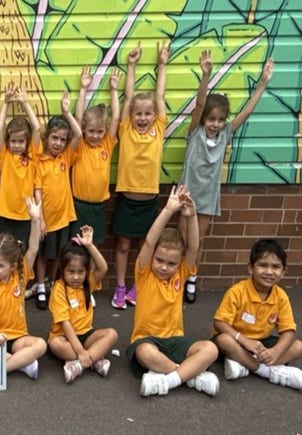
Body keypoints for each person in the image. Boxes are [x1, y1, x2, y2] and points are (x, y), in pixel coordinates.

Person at [179, 52, 275, 303]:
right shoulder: (195, 134)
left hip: (208, 198)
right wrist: (206, 75)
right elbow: (199, 104)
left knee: (197, 243)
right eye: (211, 119)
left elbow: (246, 113)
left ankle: (191, 277)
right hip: (186, 195)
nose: (215, 124)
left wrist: (263, 83)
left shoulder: (225, 136)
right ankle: (176, 278)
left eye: (220, 120)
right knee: (182, 240)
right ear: (203, 120)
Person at [126, 185, 220, 397]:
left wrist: (192, 215)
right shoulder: (144, 273)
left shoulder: (180, 274)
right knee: (144, 353)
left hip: (176, 340)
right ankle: (190, 376)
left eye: (171, 263)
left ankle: (167, 380)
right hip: (147, 339)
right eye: (159, 260)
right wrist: (168, 210)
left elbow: (193, 248)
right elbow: (150, 242)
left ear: (178, 265)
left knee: (210, 349)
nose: (163, 267)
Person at [111, 42, 169, 310]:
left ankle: (138, 285)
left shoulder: (158, 129)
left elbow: (160, 95)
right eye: (138, 113)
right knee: (123, 245)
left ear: (155, 116)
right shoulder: (125, 129)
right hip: (127, 199)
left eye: (147, 114)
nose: (143, 117)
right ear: (131, 115)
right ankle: (121, 287)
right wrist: (131, 66)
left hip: (148, 202)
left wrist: (162, 64)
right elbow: (129, 96)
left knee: (144, 246)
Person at [212, 239, 302, 390]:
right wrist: (244, 340)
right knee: (223, 340)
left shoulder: (281, 296)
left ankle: (245, 365)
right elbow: (219, 322)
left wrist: (275, 352)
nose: (269, 272)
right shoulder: (237, 291)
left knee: (298, 346)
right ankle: (265, 371)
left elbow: (288, 330)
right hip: (237, 341)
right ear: (250, 268)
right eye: (263, 265)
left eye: (276, 267)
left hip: (261, 344)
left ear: (283, 271)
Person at [0, 196, 47, 382]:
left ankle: (3, 367)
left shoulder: (20, 276)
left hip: (17, 339)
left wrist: (35, 219)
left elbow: (32, 249)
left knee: (41, 345)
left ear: (13, 267)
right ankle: (24, 364)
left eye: (0, 265)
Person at [47, 226, 117, 383]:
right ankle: (94, 358)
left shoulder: (87, 283)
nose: (76, 277)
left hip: (86, 334)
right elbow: (65, 323)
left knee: (112, 334)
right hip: (64, 336)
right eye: (71, 272)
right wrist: (80, 351)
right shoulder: (59, 289)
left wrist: (90, 246)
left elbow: (103, 268)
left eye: (80, 272)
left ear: (86, 272)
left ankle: (79, 365)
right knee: (56, 345)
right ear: (62, 269)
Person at [33, 90, 82, 310]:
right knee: (43, 255)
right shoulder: (40, 161)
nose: (59, 143)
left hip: (64, 217)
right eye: (54, 138)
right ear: (46, 138)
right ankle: (41, 284)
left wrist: (66, 112)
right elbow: (38, 192)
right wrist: (40, 219)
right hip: (47, 219)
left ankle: (52, 284)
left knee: (58, 254)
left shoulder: (66, 157)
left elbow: (79, 135)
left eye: (62, 139)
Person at [71, 66, 120, 244]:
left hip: (99, 207)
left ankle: (92, 272)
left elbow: (115, 118)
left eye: (100, 132)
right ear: (84, 129)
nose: (95, 135)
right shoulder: (80, 145)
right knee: (76, 245)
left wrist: (114, 90)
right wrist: (83, 88)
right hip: (78, 205)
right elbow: (77, 118)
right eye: (91, 131)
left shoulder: (106, 144)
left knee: (94, 244)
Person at [0, 82, 42, 254]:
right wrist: (6, 103)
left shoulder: (32, 156)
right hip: (5, 214)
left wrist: (25, 102)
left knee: (21, 254)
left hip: (25, 215)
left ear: (27, 142)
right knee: (3, 254)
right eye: (13, 141)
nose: (16, 145)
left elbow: (37, 128)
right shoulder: (4, 155)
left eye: (20, 141)